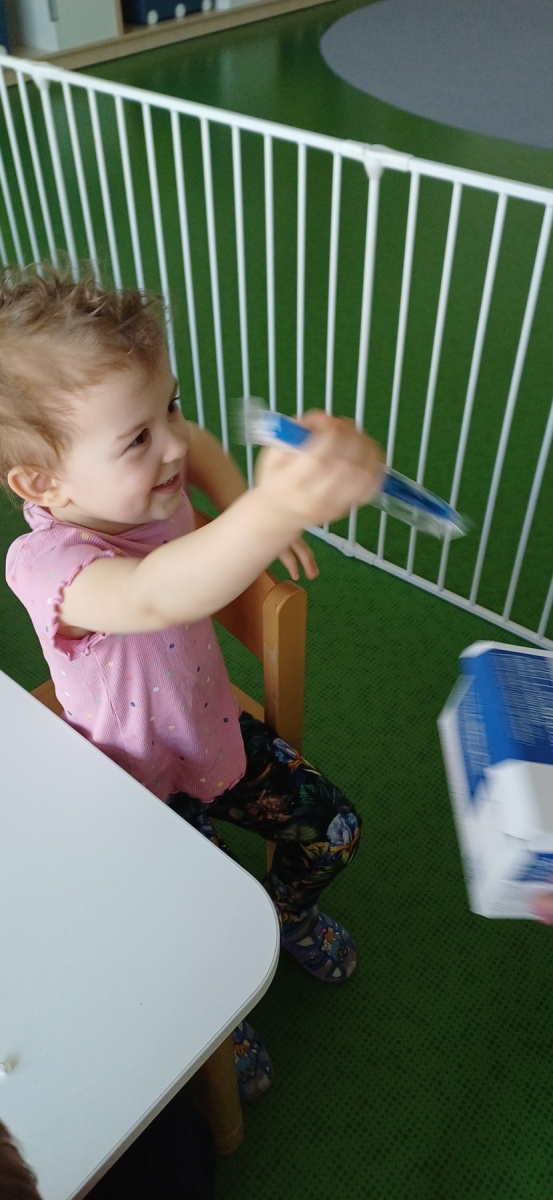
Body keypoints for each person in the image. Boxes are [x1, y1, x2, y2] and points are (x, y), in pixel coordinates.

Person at [3, 266, 385, 1100]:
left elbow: (202, 446)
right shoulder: (46, 565)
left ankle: (285, 916)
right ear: (43, 484)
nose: (173, 444)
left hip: (212, 737)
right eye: (136, 438)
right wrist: (270, 515)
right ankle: (221, 1015)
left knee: (337, 830)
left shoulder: (157, 484)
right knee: (196, 934)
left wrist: (242, 499)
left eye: (167, 407)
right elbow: (156, 592)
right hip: (133, 790)